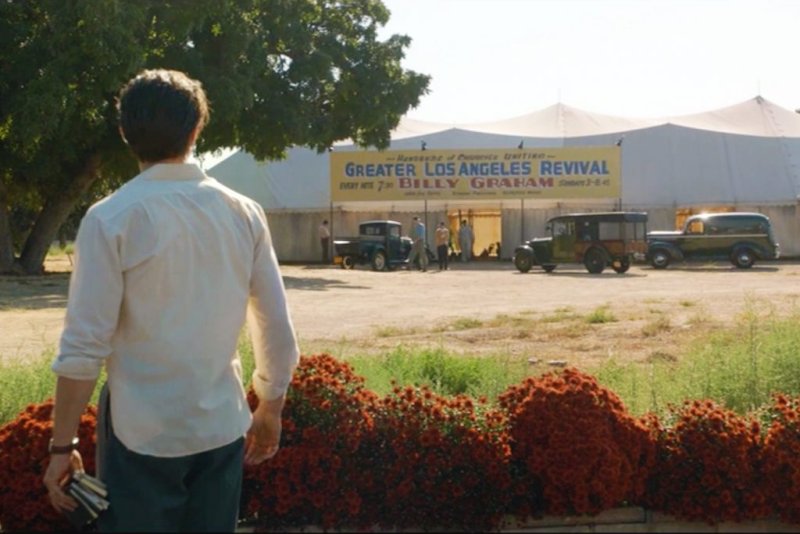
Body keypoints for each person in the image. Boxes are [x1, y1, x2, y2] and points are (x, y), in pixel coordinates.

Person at [42, 69, 300, 532]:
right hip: (220, 424)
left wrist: (63, 446)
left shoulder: (111, 218)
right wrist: (271, 405)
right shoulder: (243, 213)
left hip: (140, 429)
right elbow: (274, 323)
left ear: (125, 132)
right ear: (197, 129)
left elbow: (84, 345)